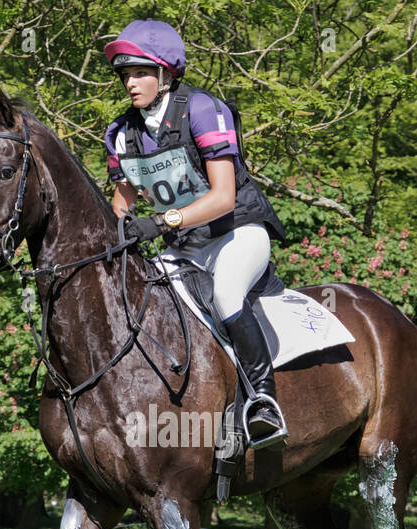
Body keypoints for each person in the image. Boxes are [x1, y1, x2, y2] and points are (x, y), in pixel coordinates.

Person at [103, 18, 290, 448]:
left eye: (140, 73)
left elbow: (223, 197)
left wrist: (160, 222)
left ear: (166, 73)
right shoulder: (121, 133)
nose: (130, 83)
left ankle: (263, 401)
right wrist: (121, 228)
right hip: (185, 247)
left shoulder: (204, 109)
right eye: (125, 75)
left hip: (237, 232)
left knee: (226, 296)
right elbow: (122, 201)